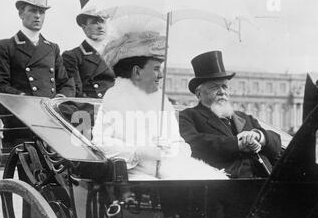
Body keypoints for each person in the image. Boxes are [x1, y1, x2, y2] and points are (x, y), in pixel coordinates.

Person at [92, 32, 227, 181]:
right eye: (156, 69)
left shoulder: (161, 102)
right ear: (137, 71)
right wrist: (138, 152)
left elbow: (180, 143)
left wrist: (172, 149)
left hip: (169, 169)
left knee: (216, 181)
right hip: (133, 174)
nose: (161, 75)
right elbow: (100, 144)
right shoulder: (114, 100)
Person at [0, 0, 75, 147]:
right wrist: (29, 102)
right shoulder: (5, 47)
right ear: (21, 13)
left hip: (52, 120)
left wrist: (59, 99)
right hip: (23, 121)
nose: (38, 16)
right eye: (33, 10)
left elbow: (65, 81)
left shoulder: (52, 48)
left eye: (41, 12)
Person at [179, 51, 282, 178]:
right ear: (199, 94)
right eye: (214, 87)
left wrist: (258, 136)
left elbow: (277, 144)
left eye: (225, 86)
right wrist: (238, 143)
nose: (222, 92)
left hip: (264, 181)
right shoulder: (188, 116)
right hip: (225, 186)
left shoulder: (244, 118)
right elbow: (193, 144)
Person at [62, 0, 115, 99]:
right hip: (89, 110)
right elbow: (75, 93)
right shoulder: (73, 56)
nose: (101, 27)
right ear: (84, 25)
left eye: (103, 21)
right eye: (95, 22)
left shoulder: (117, 52)